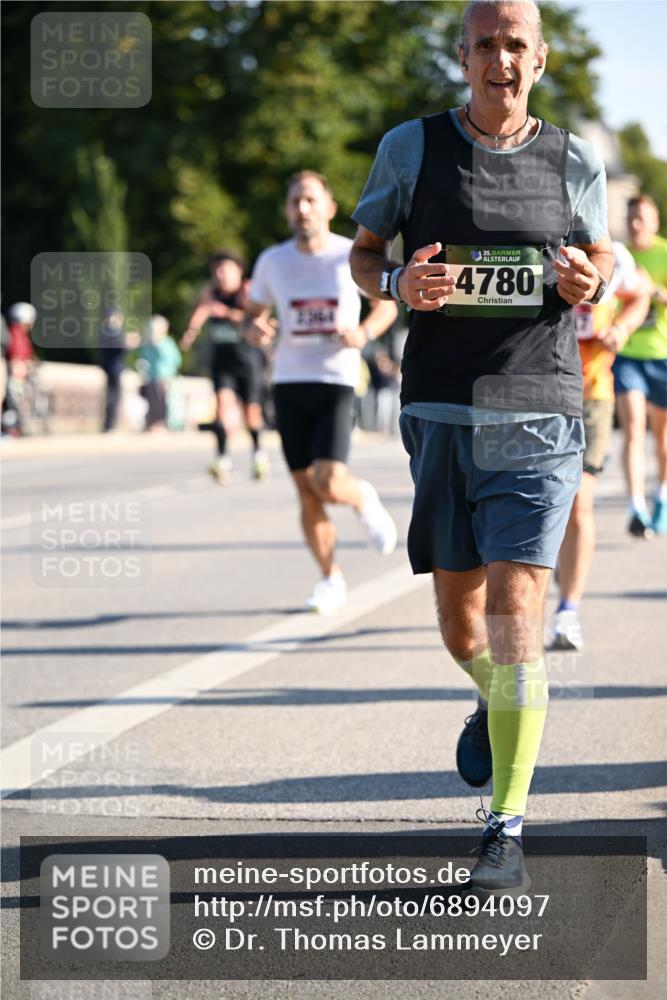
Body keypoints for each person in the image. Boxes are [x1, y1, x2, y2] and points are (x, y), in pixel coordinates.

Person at [350, 0, 614, 888]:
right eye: (483, 44)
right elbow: (363, 253)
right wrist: (396, 280)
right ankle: (492, 702)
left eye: (515, 45)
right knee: (463, 625)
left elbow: (601, 259)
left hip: (539, 409)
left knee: (514, 622)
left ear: (538, 59)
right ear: (462, 56)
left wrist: (590, 277)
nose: (498, 58)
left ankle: (505, 825)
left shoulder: (575, 157)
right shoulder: (410, 148)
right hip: (441, 408)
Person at [245, 170, 399, 615]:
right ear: (287, 210)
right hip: (289, 381)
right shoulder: (273, 261)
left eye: (311, 200)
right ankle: (330, 578)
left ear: (330, 208)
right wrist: (254, 329)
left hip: (336, 380)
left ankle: (362, 495)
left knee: (328, 481)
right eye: (295, 201)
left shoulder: (349, 256)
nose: (303, 208)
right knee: (306, 492)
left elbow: (386, 306)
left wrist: (364, 332)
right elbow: (252, 313)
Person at [550, 243, 651, 650]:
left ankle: (567, 611)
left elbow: (639, 294)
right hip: (532, 392)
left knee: (578, 499)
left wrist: (622, 328)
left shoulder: (612, 253)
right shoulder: (529, 233)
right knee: (538, 502)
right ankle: (558, 561)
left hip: (591, 393)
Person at [181, 251, 269, 484]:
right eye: (216, 269)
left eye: (225, 269)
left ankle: (259, 454)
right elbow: (202, 311)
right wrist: (191, 332)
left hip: (247, 362)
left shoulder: (247, 291)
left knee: (251, 415)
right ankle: (222, 460)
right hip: (222, 362)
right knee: (222, 409)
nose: (220, 274)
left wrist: (228, 313)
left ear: (238, 271)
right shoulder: (212, 293)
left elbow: (256, 317)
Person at [613, 195, 667, 536]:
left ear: (655, 222)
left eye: (642, 219)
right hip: (628, 354)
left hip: (662, 354)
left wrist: (654, 291)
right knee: (633, 428)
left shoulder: (663, 253)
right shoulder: (619, 256)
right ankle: (636, 506)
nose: (635, 225)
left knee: (661, 438)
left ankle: (661, 496)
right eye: (631, 218)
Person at [137, 315, 182, 432]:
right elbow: (143, 358)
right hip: (150, 377)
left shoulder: (167, 343)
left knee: (162, 402)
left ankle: (161, 424)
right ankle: (151, 423)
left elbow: (176, 360)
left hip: (164, 378)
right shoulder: (148, 344)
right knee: (151, 402)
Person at [99, 306, 139, 433]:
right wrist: (129, 344)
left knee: (112, 396)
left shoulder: (104, 330)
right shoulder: (111, 330)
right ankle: (110, 425)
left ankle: (109, 424)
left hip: (109, 367)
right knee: (114, 397)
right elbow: (119, 349)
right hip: (114, 368)